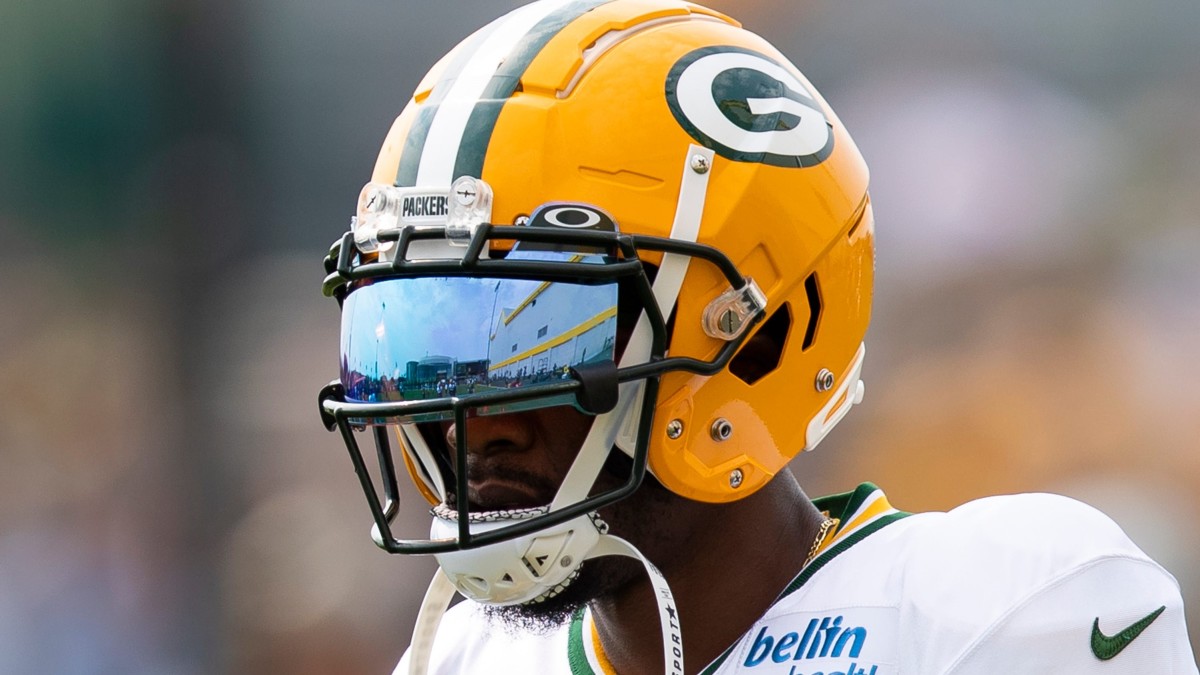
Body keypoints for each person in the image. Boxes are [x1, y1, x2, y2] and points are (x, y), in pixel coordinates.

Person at [316, 1, 1199, 673]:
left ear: (760, 338)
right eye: (417, 343)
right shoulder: (470, 654)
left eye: (536, 337)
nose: (476, 422)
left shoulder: (996, 609)